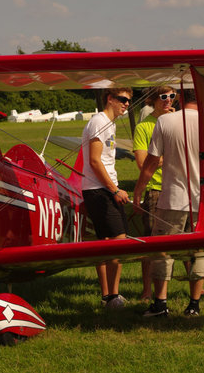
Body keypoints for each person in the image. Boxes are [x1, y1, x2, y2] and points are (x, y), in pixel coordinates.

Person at [133, 89, 204, 317]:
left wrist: (138, 190)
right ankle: (194, 304)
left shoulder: (165, 122)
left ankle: (160, 303)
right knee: (198, 252)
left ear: (180, 96)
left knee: (163, 252)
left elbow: (150, 163)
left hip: (171, 199)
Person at [82, 87, 133, 309]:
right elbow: (94, 161)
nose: (126, 104)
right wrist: (114, 189)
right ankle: (113, 296)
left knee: (106, 242)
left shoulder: (109, 123)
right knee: (118, 241)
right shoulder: (98, 121)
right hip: (99, 189)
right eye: (122, 99)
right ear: (109, 99)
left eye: (129, 101)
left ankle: (108, 296)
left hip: (102, 188)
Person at [132, 85, 176, 300]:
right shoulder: (144, 127)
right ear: (152, 100)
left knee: (187, 238)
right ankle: (147, 291)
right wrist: (168, 157)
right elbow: (142, 164)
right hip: (156, 189)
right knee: (152, 242)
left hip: (179, 187)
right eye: (163, 97)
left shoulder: (179, 122)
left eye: (172, 96)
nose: (168, 100)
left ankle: (197, 287)